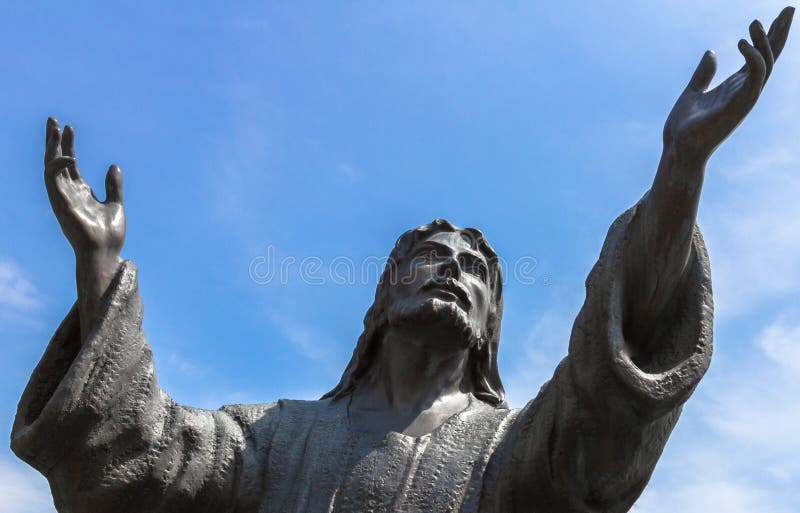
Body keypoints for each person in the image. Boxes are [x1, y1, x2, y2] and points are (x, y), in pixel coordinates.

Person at [11, 8, 794, 513]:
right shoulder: (273, 438)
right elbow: (138, 459)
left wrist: (680, 168)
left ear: (490, 329)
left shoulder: (511, 451)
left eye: (479, 272)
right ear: (381, 302)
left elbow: (608, 402)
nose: (454, 267)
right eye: (429, 255)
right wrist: (101, 267)